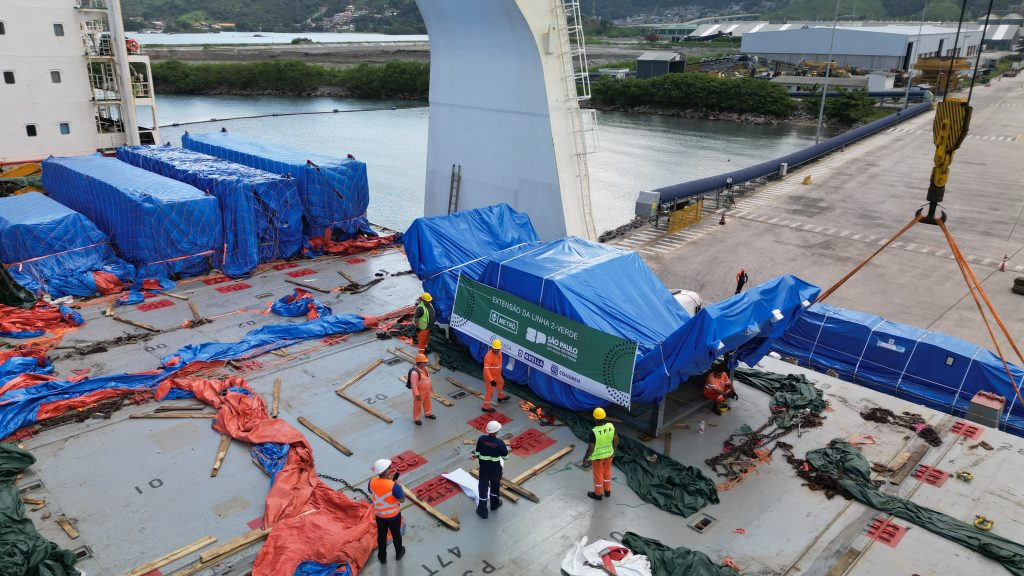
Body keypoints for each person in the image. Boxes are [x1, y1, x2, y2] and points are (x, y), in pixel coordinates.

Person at [368, 458, 406, 564]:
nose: (391, 469)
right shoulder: (394, 486)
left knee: (381, 536)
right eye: (389, 468)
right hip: (393, 516)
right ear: (385, 471)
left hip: (380, 515)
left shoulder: (371, 482)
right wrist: (399, 486)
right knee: (396, 535)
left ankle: (382, 557)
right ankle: (399, 552)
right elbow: (402, 500)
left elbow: (372, 490)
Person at [473, 420, 509, 519]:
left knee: (483, 488)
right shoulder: (500, 443)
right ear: (497, 431)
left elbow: (477, 454)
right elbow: (506, 457)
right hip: (495, 470)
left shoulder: (481, 439)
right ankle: (494, 504)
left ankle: (482, 511)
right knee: (495, 486)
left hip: (484, 469)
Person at [583, 407, 618, 500]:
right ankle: (607, 491)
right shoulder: (611, 426)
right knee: (607, 472)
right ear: (605, 417)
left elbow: (591, 447)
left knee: (598, 475)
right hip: (609, 455)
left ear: (594, 419)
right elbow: (616, 439)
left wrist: (586, 457)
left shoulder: (594, 432)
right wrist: (614, 448)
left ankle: (598, 494)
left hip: (598, 457)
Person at [482, 339, 510, 412]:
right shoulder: (488, 356)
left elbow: (498, 364)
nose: (497, 351)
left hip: (497, 374)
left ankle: (500, 397)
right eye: (495, 349)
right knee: (490, 392)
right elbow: (486, 370)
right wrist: (491, 380)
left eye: (498, 349)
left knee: (500, 382)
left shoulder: (499, 353)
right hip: (490, 376)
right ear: (492, 348)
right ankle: (485, 407)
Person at [409, 353, 435, 425]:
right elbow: (413, 385)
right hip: (419, 393)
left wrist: (430, 386)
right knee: (417, 405)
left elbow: (428, 378)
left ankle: (428, 413)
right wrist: (417, 395)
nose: (426, 363)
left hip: (427, 391)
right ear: (420, 363)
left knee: (427, 402)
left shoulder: (425, 369)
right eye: (425, 362)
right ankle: (416, 419)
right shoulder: (414, 373)